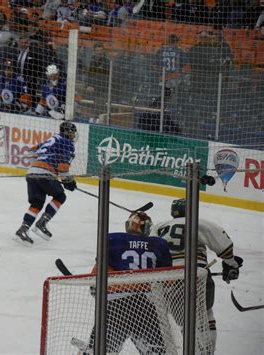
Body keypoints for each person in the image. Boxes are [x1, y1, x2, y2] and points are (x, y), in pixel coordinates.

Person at [150, 198, 244, 351]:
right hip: (197, 276)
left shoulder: (159, 226)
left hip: (168, 279)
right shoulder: (198, 222)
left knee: (184, 320)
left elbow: (150, 248)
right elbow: (224, 246)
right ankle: (206, 351)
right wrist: (231, 264)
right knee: (205, 317)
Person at [78, 211, 172, 354]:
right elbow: (168, 281)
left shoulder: (112, 239)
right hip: (146, 306)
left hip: (116, 306)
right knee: (157, 352)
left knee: (98, 351)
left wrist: (95, 287)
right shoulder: (159, 244)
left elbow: (96, 276)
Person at [14, 121, 77, 245]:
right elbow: (63, 166)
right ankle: (42, 223)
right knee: (60, 196)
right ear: (67, 132)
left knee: (37, 203)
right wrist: (68, 181)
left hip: (32, 172)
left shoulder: (52, 139)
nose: (73, 135)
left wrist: (39, 162)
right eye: (72, 133)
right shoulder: (67, 143)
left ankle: (23, 229)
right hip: (45, 174)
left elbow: (31, 151)